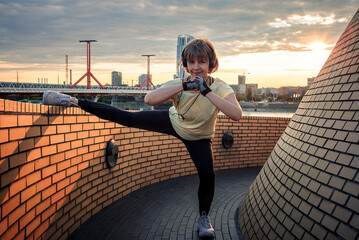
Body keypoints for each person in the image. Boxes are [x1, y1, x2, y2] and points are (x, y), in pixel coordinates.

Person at [43, 38, 242, 238]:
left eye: (202, 62)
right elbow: (149, 99)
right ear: (185, 65)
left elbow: (236, 114)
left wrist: (205, 91)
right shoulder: (179, 84)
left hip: (199, 137)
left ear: (211, 63)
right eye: (191, 62)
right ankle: (73, 100)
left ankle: (203, 218)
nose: (196, 67)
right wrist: (183, 87)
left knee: (208, 175)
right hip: (173, 121)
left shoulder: (220, 87)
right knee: (128, 117)